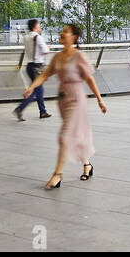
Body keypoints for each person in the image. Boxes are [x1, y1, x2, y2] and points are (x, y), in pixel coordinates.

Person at [21, 23, 107, 189]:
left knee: (65, 136)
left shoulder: (79, 56)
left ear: (73, 37)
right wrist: (31, 87)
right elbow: (45, 75)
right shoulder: (58, 57)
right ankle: (87, 165)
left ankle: (57, 175)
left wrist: (99, 100)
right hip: (63, 99)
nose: (62, 33)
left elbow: (89, 79)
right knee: (75, 135)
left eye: (65, 31)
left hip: (76, 98)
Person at [13, 18, 51, 121]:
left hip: (29, 65)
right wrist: (48, 48)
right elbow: (45, 51)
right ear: (35, 26)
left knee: (39, 89)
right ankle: (20, 108)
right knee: (35, 90)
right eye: (38, 26)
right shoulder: (38, 38)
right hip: (37, 67)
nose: (39, 27)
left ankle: (43, 111)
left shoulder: (26, 37)